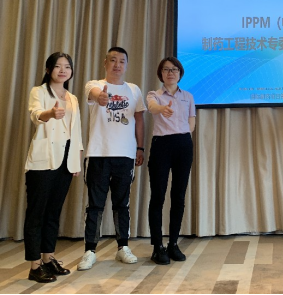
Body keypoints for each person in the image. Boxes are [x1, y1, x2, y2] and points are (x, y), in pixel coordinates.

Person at [78, 47, 146, 271]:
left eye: (122, 61)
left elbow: (139, 120)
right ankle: (90, 250)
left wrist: (140, 147)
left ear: (126, 65)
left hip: (125, 155)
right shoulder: (94, 84)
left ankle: (122, 247)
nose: (117, 65)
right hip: (98, 154)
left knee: (122, 204)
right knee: (95, 205)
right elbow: (95, 94)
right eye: (113, 60)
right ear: (105, 63)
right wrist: (101, 96)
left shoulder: (134, 90)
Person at [25, 52, 84, 283]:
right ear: (49, 69)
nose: (63, 70)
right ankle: (34, 265)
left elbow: (76, 130)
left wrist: (77, 159)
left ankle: (48, 258)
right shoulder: (39, 91)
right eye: (58, 66)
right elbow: (35, 115)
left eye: (67, 67)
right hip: (44, 160)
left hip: (67, 161)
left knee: (53, 212)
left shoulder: (73, 98)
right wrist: (50, 113)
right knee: (36, 213)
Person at [147, 57, 196, 265]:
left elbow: (191, 122)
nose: (171, 73)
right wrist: (162, 109)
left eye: (174, 69)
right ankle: (157, 246)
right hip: (162, 145)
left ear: (180, 73)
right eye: (166, 70)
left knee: (178, 196)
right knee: (158, 196)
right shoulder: (154, 95)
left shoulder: (188, 96)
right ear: (161, 73)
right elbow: (151, 107)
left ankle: (173, 243)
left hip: (183, 144)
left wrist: (183, 134)